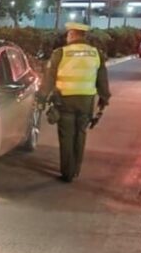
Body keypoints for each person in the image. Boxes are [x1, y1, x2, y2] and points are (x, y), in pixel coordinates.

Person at [39, 21, 111, 182]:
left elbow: (49, 78)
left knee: (66, 135)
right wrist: (104, 99)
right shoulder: (96, 53)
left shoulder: (61, 53)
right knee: (80, 134)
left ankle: (67, 172)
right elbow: (102, 79)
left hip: (65, 100)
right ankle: (76, 168)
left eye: (68, 34)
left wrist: (41, 97)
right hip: (86, 101)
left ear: (72, 35)